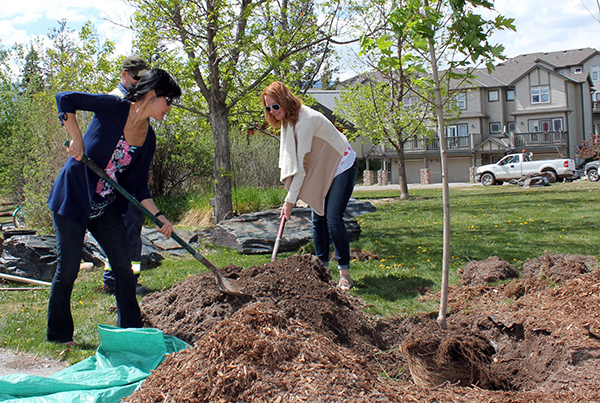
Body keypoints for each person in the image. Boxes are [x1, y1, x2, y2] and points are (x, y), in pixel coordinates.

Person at [47, 69, 181, 344]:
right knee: (69, 268)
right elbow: (65, 99)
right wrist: (76, 137)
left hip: (103, 206)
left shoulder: (149, 139)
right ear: (154, 94)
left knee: (124, 265)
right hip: (73, 198)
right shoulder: (114, 107)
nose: (170, 108)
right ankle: (59, 335)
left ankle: (130, 330)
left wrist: (159, 217)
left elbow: (139, 186)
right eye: (169, 101)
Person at [261, 81, 358, 290]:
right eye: (268, 108)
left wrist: (289, 201)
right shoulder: (288, 121)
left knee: (332, 219)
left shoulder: (304, 122)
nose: (272, 111)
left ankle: (345, 274)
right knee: (317, 218)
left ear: (285, 101)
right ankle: (322, 272)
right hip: (323, 166)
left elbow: (300, 168)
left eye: (275, 106)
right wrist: (290, 199)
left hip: (342, 164)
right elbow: (296, 163)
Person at [103, 55, 150, 295]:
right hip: (112, 178)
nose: (138, 82)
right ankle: (116, 280)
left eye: (143, 78)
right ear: (124, 74)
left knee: (132, 227)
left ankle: (128, 279)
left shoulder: (139, 100)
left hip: (128, 177)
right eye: (135, 77)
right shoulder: (116, 100)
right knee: (122, 228)